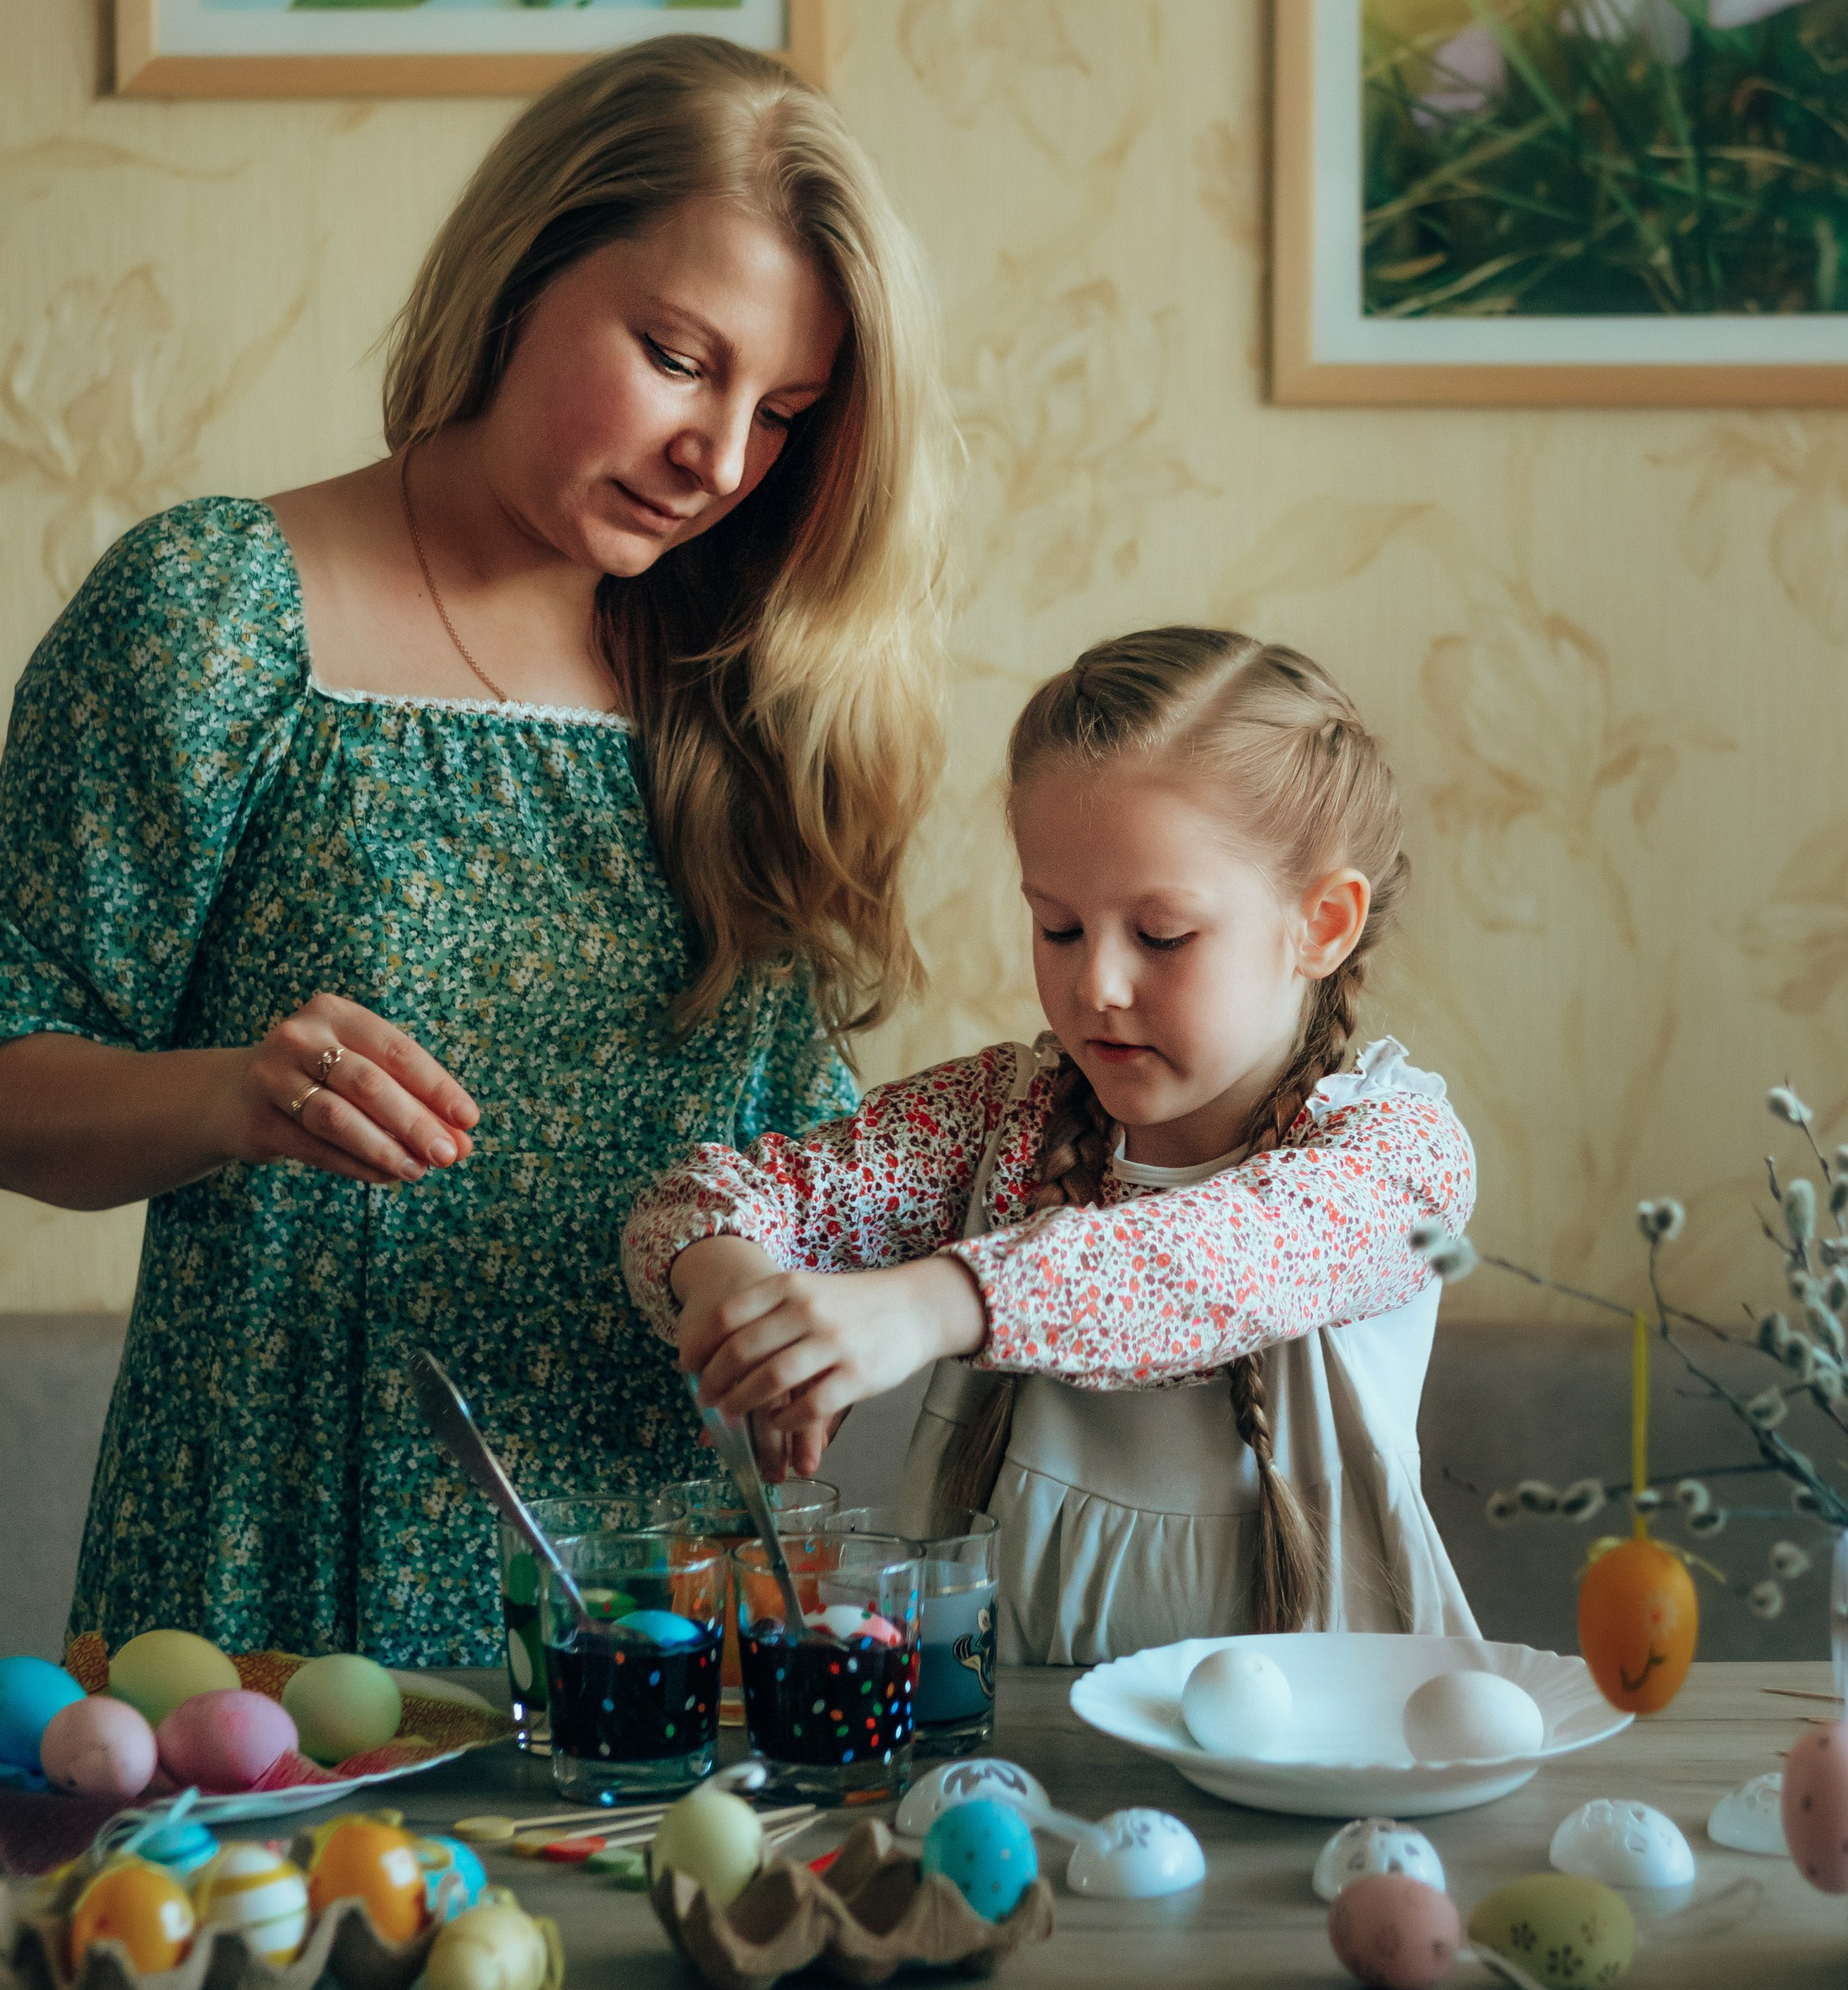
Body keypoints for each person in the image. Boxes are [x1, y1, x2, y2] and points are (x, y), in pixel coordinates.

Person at [0, 38, 954, 1662]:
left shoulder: (753, 693)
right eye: (681, 358)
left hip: (642, 1616)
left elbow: (796, 1164)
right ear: (523, 266)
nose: (720, 457)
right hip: (264, 1583)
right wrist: (225, 1095)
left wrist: (780, 1303)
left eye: (785, 413)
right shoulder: (216, 615)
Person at [624, 628, 1478, 1664]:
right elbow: (700, 1198)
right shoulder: (999, 1117)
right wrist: (733, 1294)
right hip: (1006, 1736)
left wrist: (934, 1301)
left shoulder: (1396, 1159)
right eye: (1058, 928)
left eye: (1161, 935)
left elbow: (1211, 1265)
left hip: (1327, 1752)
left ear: (1322, 924)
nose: (1095, 986)